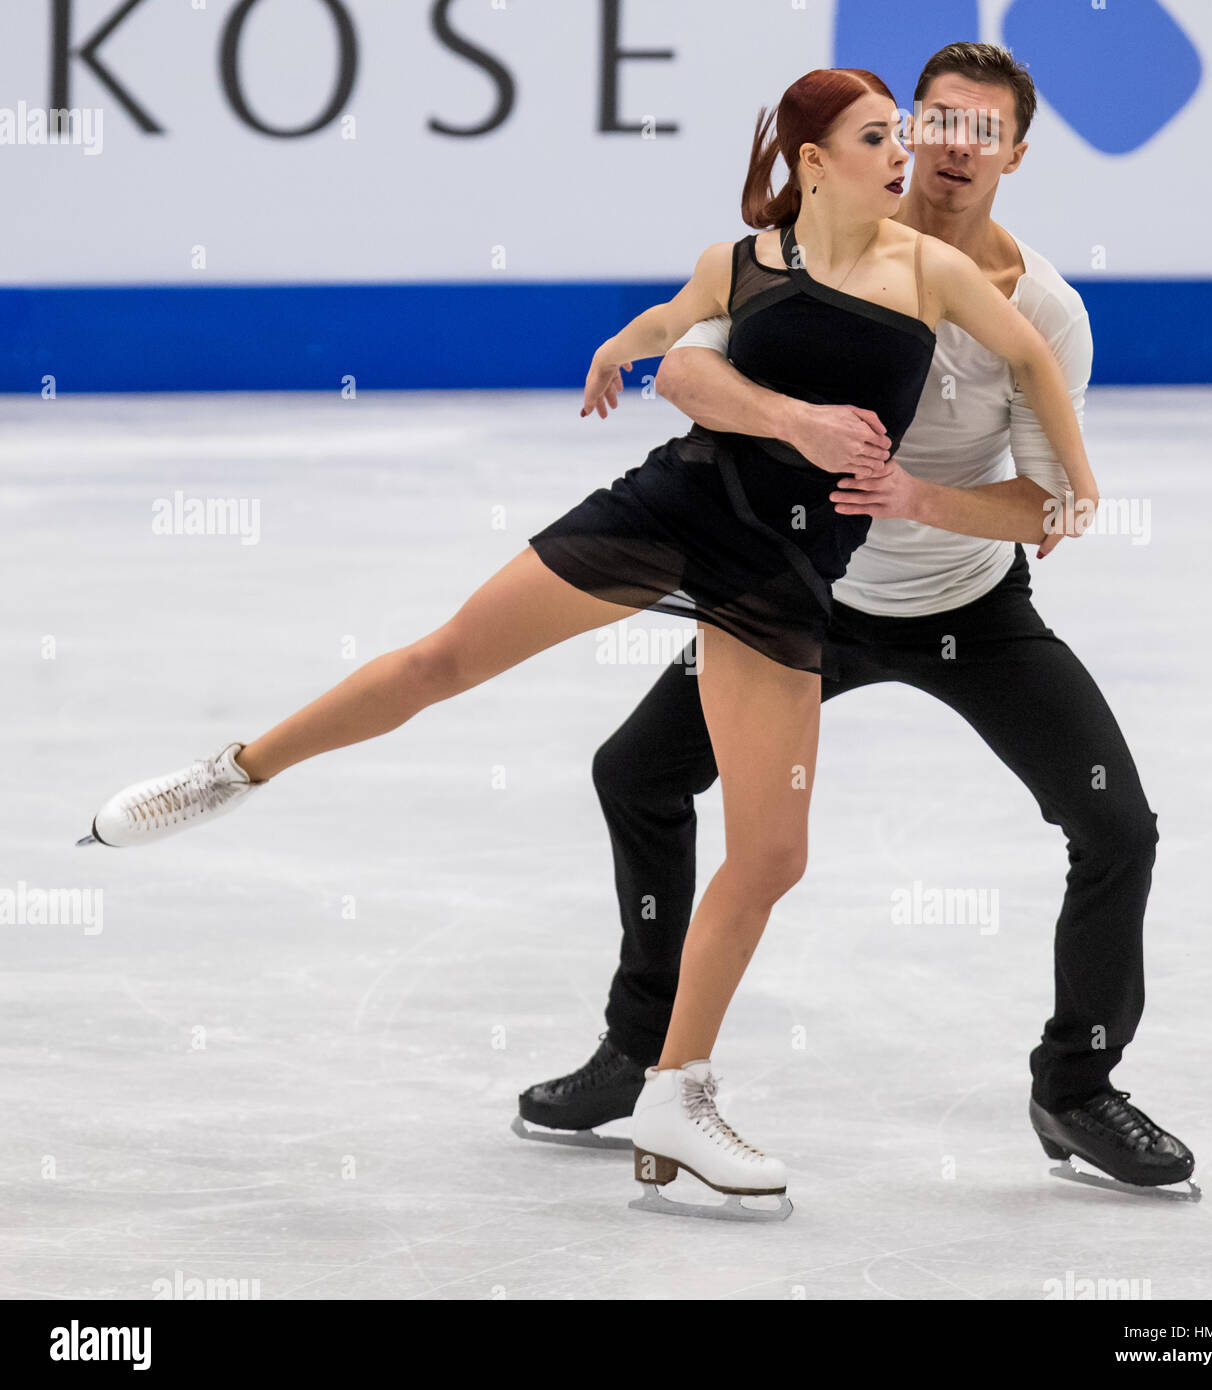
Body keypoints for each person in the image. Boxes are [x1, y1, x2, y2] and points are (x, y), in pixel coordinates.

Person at [78, 66, 1096, 1221]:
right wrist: (626, 344)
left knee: (771, 853)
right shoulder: (742, 259)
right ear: (814, 162)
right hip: (674, 507)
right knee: (441, 659)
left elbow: (1028, 360)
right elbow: (677, 334)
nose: (904, 155)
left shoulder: (932, 271)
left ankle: (673, 1093)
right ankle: (231, 771)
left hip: (779, 572)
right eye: (879, 137)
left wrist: (1080, 478)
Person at [517, 43, 1197, 1201]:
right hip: (796, 601)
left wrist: (920, 499)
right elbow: (689, 369)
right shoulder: (805, 256)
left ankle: (1075, 1086)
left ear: (1016, 155)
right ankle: (642, 1050)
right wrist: (772, 411)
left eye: (982, 130)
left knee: (1116, 826)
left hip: (966, 607)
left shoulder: (1040, 313)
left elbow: (1054, 507)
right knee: (633, 771)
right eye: (933, 120)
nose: (950, 147)